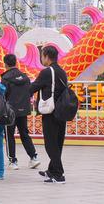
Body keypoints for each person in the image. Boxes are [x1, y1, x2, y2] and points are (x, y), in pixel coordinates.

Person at [29, 45, 68, 184]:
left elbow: (32, 88)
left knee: (50, 144)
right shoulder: (62, 72)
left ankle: (59, 174)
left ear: (46, 56)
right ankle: (52, 170)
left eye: (42, 56)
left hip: (50, 112)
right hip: (61, 111)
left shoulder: (46, 72)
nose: (41, 58)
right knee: (57, 143)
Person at [2, 54, 41, 170]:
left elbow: (3, 95)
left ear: (5, 64)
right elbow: (30, 92)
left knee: (9, 135)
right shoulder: (25, 77)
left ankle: (13, 161)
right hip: (23, 110)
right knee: (24, 134)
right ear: (16, 62)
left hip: (10, 111)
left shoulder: (5, 78)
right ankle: (33, 157)